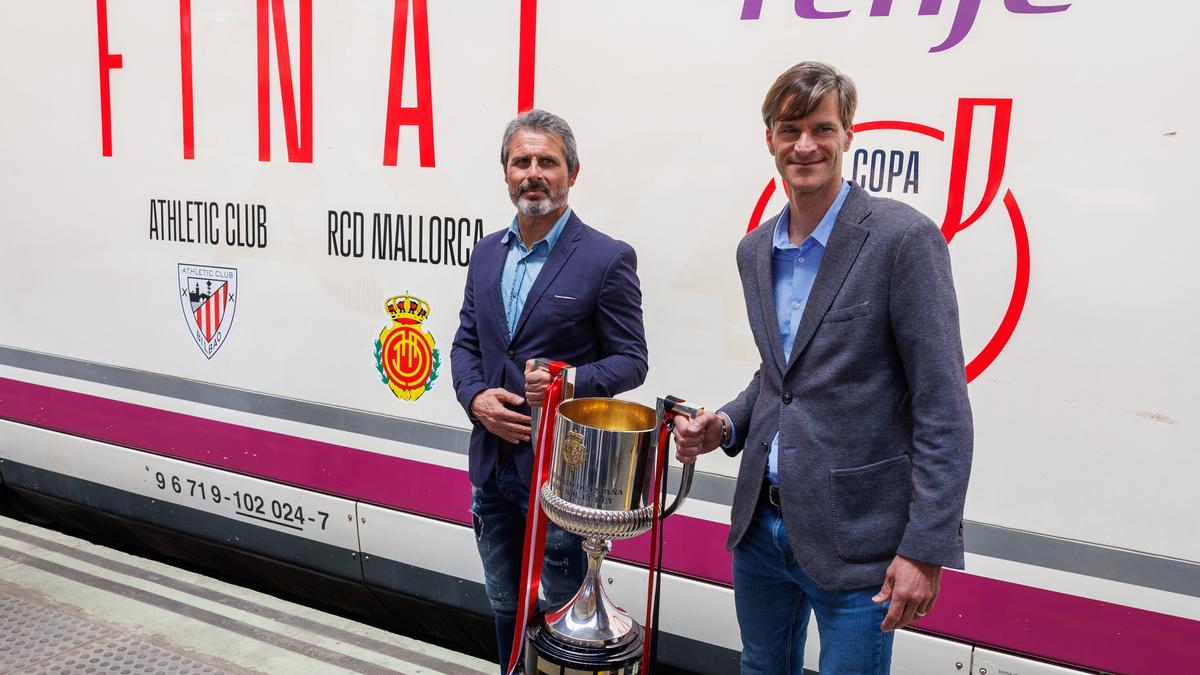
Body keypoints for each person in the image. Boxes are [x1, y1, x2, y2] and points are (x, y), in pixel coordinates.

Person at [673, 62, 973, 674]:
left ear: (847, 135)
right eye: (790, 129)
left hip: (861, 539)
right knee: (762, 667)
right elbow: (779, 378)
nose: (804, 145)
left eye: (821, 128)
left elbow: (942, 405)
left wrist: (925, 548)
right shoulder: (755, 251)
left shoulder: (902, 240)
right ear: (770, 140)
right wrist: (725, 426)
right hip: (760, 529)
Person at [450, 109, 649, 673]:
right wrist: (475, 400)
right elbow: (465, 346)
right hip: (492, 471)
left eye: (547, 162)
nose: (533, 173)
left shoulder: (606, 258)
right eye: (522, 161)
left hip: (564, 478)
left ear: (573, 172)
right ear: (506, 172)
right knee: (504, 608)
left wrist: (571, 380)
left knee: (562, 624)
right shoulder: (486, 253)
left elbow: (632, 359)